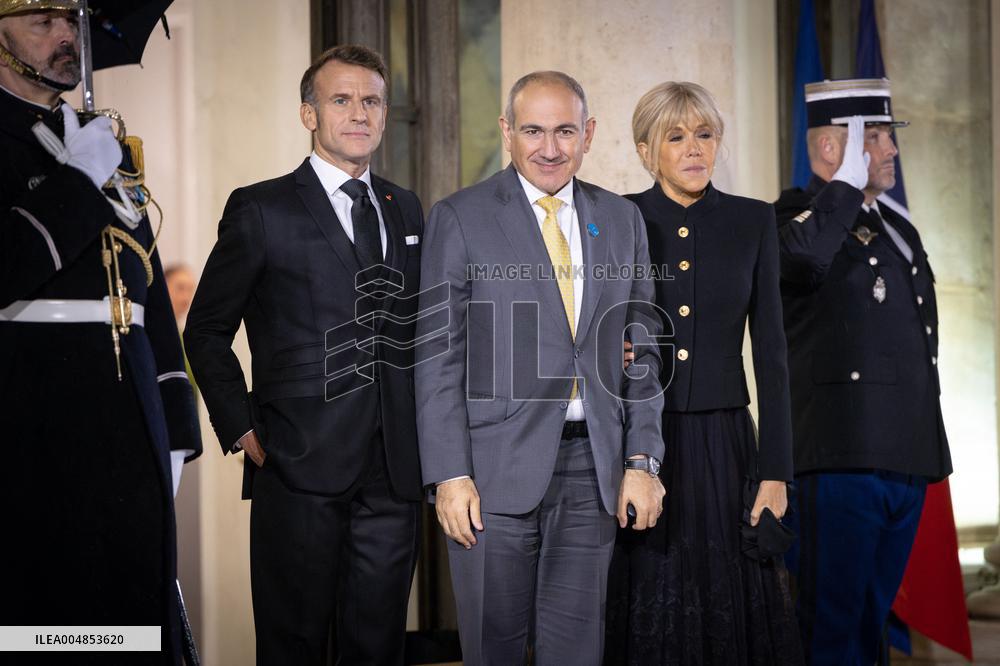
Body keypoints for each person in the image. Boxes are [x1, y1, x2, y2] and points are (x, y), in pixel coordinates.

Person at [415, 70, 666, 665]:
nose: (549, 148)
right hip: (490, 476)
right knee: (492, 649)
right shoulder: (460, 217)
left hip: (593, 471)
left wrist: (642, 460)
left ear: (588, 134)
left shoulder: (621, 219)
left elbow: (644, 351)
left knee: (577, 652)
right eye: (533, 130)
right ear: (507, 132)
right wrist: (450, 475)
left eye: (564, 131)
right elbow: (437, 358)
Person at [184, 44, 424, 665]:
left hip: (395, 472)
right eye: (341, 99)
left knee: (379, 649)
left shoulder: (404, 206)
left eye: (372, 101)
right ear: (308, 114)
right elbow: (206, 330)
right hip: (295, 464)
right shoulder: (261, 207)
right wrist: (241, 426)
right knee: (294, 648)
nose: (359, 113)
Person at [0, 0, 201, 663]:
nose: (66, 37)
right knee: (47, 619)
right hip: (32, 409)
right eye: (42, 22)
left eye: (73, 21)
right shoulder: (76, 153)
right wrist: (77, 180)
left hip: (130, 409)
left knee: (132, 616)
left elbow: (142, 284)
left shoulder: (100, 140)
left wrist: (174, 420)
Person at [604, 81, 803, 665]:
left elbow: (772, 355)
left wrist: (776, 472)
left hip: (725, 444)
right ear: (647, 151)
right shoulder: (619, 217)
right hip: (640, 442)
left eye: (704, 134)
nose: (694, 148)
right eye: (675, 136)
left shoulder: (752, 220)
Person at [774, 78, 953, 665]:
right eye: (875, 138)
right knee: (829, 626)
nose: (892, 149)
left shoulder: (898, 228)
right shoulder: (791, 217)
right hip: (838, 458)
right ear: (834, 148)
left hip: (904, 457)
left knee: (870, 626)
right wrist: (845, 186)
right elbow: (803, 258)